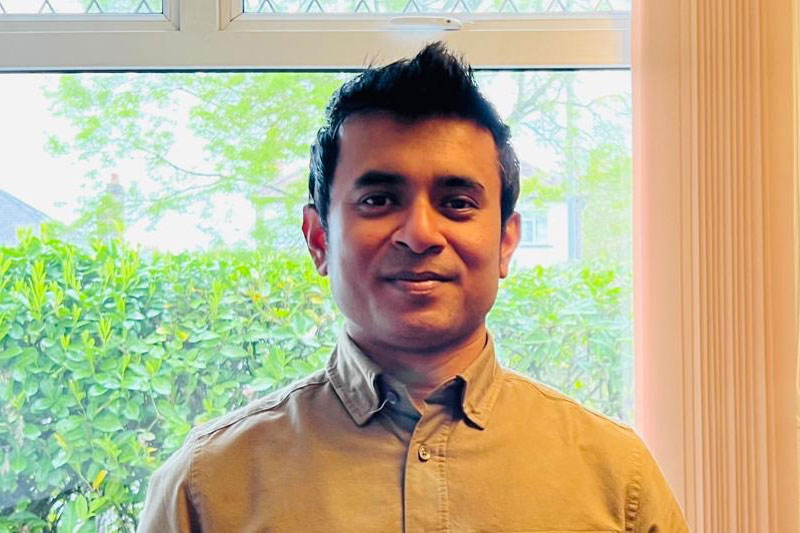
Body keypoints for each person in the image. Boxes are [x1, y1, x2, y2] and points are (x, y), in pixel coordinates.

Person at [138, 42, 689, 532]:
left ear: (505, 242)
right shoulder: (207, 486)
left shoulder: (618, 481)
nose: (421, 234)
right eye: (379, 200)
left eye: (457, 203)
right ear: (318, 238)